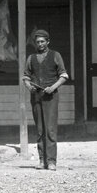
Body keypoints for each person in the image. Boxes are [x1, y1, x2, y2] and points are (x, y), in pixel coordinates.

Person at [22, 29, 69, 170]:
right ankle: (42, 160)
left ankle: (52, 161)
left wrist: (53, 87)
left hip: (51, 97)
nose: (40, 44)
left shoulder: (56, 55)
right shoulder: (31, 58)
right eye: (38, 42)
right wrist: (29, 86)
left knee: (50, 129)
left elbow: (64, 76)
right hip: (36, 97)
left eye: (43, 41)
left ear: (48, 42)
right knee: (40, 129)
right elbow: (25, 77)